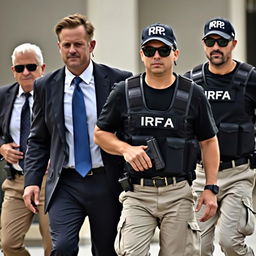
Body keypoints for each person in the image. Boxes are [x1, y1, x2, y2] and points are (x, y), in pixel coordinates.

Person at [94, 23, 219, 256]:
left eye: (164, 50)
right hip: (137, 193)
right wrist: (125, 149)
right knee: (130, 253)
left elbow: (209, 142)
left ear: (175, 54)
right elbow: (100, 133)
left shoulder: (193, 94)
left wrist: (211, 187)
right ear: (142, 55)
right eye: (150, 51)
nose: (157, 56)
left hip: (178, 192)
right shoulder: (124, 91)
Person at [22, 13, 132, 256]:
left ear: (91, 46)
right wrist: (31, 182)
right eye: (66, 45)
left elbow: (129, 133)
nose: (72, 50)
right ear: (59, 46)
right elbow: (39, 139)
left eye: (78, 44)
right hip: (65, 182)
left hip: (106, 180)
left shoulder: (118, 81)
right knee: (61, 248)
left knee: (107, 250)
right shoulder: (45, 86)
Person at [185, 17, 256, 256]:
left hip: (238, 173)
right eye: (210, 41)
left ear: (233, 43)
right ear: (203, 44)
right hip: (200, 176)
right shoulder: (191, 81)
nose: (216, 47)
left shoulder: (250, 79)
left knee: (230, 242)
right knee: (198, 248)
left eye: (222, 42)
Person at [0, 43, 52, 256]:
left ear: (42, 68)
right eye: (20, 68)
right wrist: (2, 148)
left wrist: (57, 156)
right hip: (16, 181)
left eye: (31, 66)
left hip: (49, 180)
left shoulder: (54, 96)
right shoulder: (3, 96)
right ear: (13, 71)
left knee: (55, 245)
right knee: (8, 244)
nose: (26, 72)